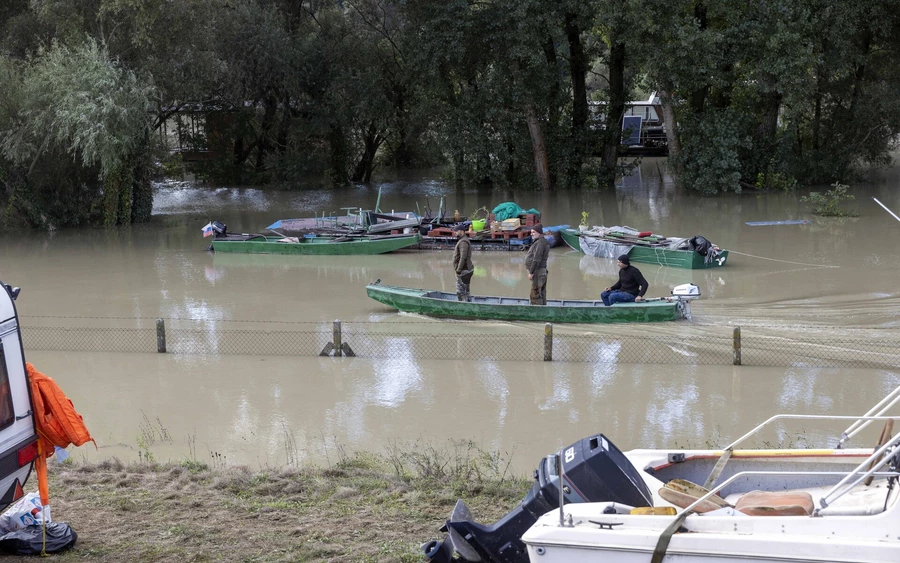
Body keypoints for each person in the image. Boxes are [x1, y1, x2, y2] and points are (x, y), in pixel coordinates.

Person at [525, 223, 550, 305]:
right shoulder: (541, 242)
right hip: (541, 272)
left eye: (534, 232)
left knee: (535, 295)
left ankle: (537, 314)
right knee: (541, 293)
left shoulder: (540, 243)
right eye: (531, 232)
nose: (531, 234)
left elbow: (536, 259)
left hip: (538, 272)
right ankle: (543, 312)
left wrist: (531, 272)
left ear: (539, 233)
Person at [453, 223, 474, 301]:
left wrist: (458, 270)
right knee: (466, 291)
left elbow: (463, 258)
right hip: (467, 269)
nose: (455, 232)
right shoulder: (463, 240)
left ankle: (463, 307)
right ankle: (469, 303)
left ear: (462, 231)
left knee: (460, 292)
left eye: (456, 231)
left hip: (464, 270)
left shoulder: (463, 242)